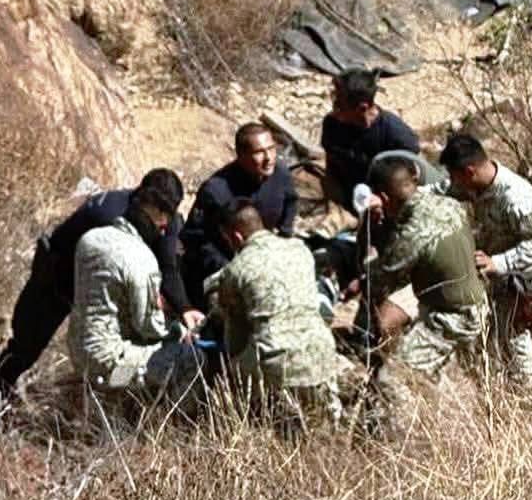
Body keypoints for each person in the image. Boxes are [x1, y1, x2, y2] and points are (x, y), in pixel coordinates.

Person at [0, 169, 201, 421]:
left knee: (124, 362)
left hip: (107, 306)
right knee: (25, 347)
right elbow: (58, 253)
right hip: (57, 281)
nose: (165, 223)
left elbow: (168, 268)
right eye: (160, 211)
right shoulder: (106, 213)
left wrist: (185, 308)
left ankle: (107, 413)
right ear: (142, 198)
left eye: (170, 211)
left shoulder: (167, 221)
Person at [360, 157, 487, 420]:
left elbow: (380, 274)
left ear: (383, 197)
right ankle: (438, 420)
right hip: (474, 305)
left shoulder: (411, 233)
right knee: (440, 377)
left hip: (450, 318)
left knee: (392, 380)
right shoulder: (450, 205)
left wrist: (370, 228)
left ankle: (407, 444)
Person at [68, 176, 204, 400]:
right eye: (163, 224)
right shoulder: (141, 258)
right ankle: (168, 426)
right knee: (192, 359)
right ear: (158, 219)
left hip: (79, 355)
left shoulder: (91, 239)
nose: (163, 232)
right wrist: (180, 329)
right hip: (111, 370)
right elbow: (148, 327)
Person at [217, 200, 342, 435]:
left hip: (276, 361)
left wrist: (232, 364)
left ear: (235, 236)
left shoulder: (236, 269)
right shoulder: (300, 249)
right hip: (321, 351)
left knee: (232, 369)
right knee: (322, 431)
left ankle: (249, 428)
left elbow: (234, 329)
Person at [439, 134, 532, 384]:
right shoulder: (476, 185)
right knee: (500, 334)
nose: (453, 182)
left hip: (524, 276)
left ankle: (523, 393)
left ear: (469, 171)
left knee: (514, 334)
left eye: (455, 176)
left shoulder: (516, 196)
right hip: (501, 277)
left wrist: (498, 263)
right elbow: (444, 189)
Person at [179, 123, 298, 307]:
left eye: (271, 149)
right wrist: (231, 267)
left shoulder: (281, 174)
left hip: (265, 260)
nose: (268, 158)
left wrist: (284, 238)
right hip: (224, 271)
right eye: (259, 152)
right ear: (241, 156)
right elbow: (194, 239)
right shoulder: (216, 190)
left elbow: (291, 202)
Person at [321, 68, 419, 211]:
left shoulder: (396, 135)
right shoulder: (332, 125)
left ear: (362, 108)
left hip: (381, 202)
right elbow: (331, 165)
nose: (335, 106)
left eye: (340, 102)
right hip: (343, 194)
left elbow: (406, 183)